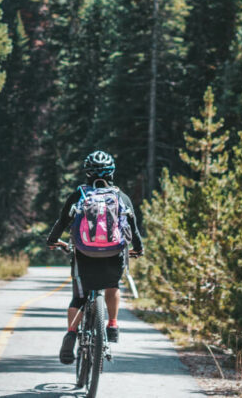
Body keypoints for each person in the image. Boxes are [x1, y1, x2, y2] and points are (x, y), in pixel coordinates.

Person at [47, 150, 143, 364]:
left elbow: (62, 221)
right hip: (114, 254)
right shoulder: (121, 197)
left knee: (79, 297)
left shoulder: (79, 195)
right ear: (112, 173)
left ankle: (71, 333)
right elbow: (134, 228)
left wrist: (52, 240)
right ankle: (113, 324)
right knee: (113, 285)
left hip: (84, 254)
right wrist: (139, 248)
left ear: (87, 173)